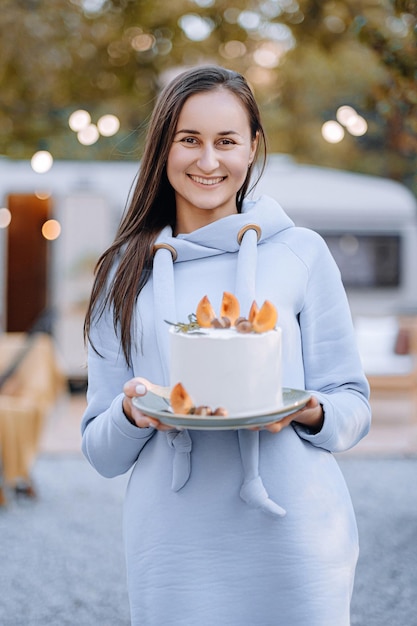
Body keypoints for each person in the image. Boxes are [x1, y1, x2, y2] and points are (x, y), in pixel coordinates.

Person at [82, 65, 371, 626]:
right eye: (188, 140)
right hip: (172, 547)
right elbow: (100, 451)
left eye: (226, 141)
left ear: (253, 146)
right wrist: (130, 413)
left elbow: (352, 406)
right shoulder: (122, 274)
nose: (208, 162)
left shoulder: (301, 254)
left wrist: (310, 410)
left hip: (296, 536)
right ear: (163, 146)